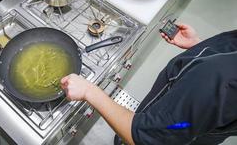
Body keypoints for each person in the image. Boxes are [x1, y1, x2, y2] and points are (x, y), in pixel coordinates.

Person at [61, 23, 237, 145]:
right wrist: (201, 49)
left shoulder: (221, 79)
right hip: (184, 115)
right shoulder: (218, 76)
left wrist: (88, 90)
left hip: (176, 133)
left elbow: (145, 137)